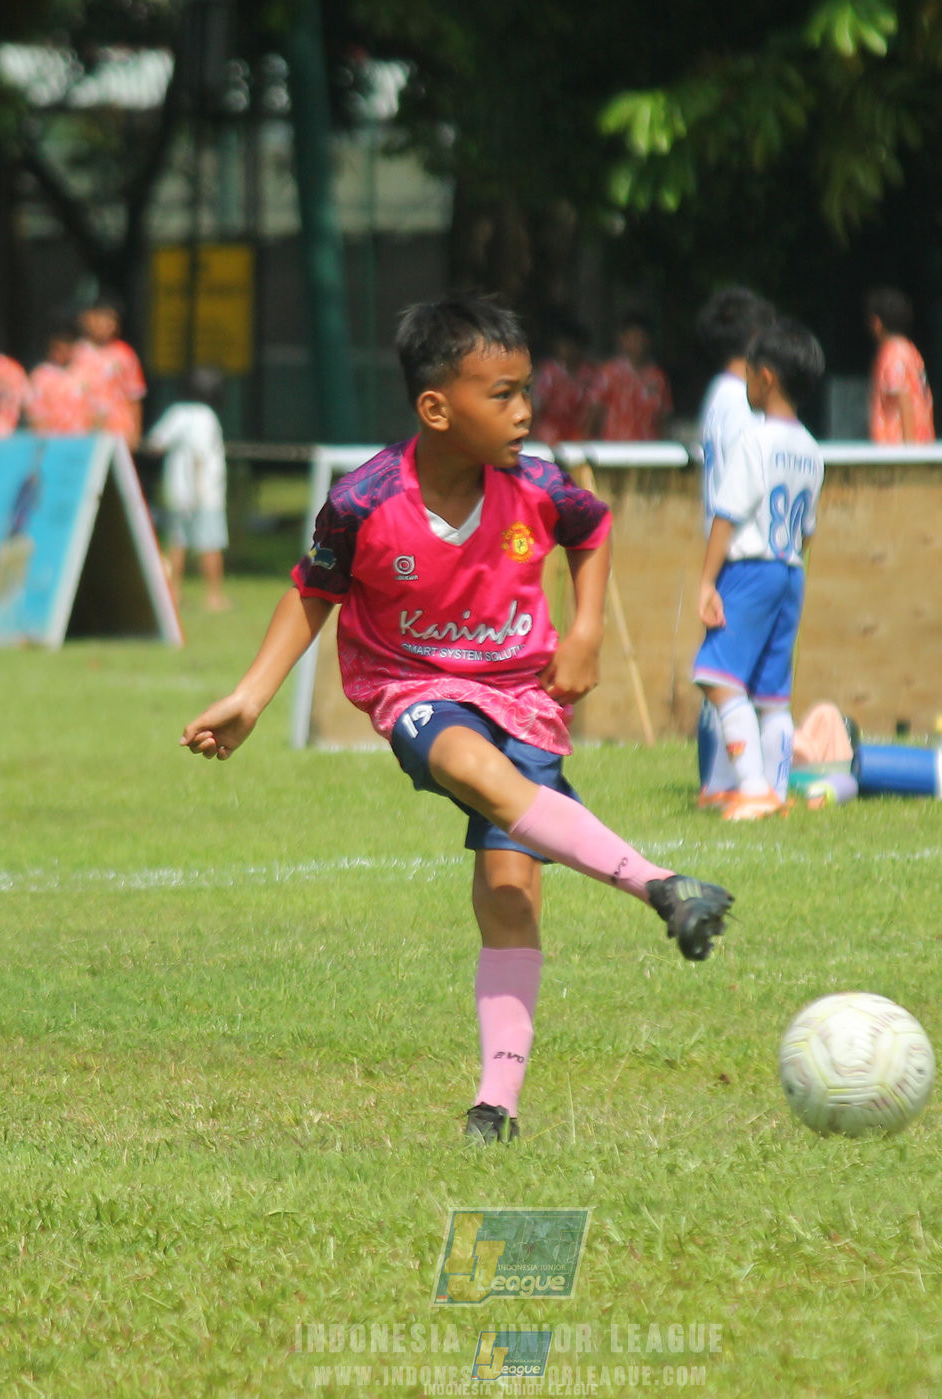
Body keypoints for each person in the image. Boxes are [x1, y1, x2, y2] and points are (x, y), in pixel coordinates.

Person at [179, 297, 735, 1144]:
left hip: (524, 694)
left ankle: (495, 1107)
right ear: (437, 408)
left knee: (509, 895)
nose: (524, 413)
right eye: (503, 395)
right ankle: (661, 885)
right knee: (476, 768)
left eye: (525, 394)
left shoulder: (539, 484)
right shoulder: (363, 501)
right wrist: (251, 697)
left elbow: (591, 529)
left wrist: (584, 629)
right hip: (413, 686)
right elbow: (313, 590)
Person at [691, 318, 826, 822]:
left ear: (765, 377)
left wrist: (708, 580)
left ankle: (751, 788)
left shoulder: (755, 442)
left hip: (750, 568)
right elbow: (808, 529)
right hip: (790, 569)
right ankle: (771, 787)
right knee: (771, 694)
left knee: (718, 677)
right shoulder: (811, 449)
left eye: (748, 374)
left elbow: (727, 515)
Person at [693, 287, 778, 807]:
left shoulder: (717, 396)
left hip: (727, 549)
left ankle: (722, 781)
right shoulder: (741, 401)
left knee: (731, 672)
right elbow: (747, 484)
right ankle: (752, 784)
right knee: (732, 676)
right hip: (745, 550)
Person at [147, 368, 231, 613]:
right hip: (204, 493)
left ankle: (174, 593)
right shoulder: (206, 417)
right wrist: (198, 491)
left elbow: (155, 443)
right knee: (210, 544)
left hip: (177, 492)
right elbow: (199, 455)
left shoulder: (177, 413)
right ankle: (214, 596)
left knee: (177, 542)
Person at [72, 301, 147, 449]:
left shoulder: (125, 354)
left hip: (117, 432)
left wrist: (135, 435)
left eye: (111, 320)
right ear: (86, 319)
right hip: (80, 431)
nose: (106, 324)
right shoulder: (75, 352)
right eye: (101, 318)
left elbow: (134, 396)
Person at [864, 286, 934, 444]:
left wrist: (908, 455)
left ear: (877, 322)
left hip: (898, 453)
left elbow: (904, 399)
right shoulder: (910, 351)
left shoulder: (891, 354)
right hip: (922, 446)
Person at [589, 313, 673, 441]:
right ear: (623, 340)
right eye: (633, 337)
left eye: (642, 337)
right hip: (614, 449)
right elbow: (595, 414)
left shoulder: (658, 378)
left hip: (649, 451)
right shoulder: (609, 373)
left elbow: (663, 420)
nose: (638, 343)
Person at [530, 319, 596, 447]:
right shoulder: (549, 373)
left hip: (579, 438)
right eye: (564, 344)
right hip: (549, 438)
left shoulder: (589, 375)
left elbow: (594, 410)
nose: (568, 349)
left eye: (572, 345)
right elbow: (537, 409)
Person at [26, 329, 95, 436]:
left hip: (83, 439)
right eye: (58, 349)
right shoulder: (40, 376)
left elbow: (96, 409)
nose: (62, 353)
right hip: (53, 440)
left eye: (67, 349)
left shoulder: (86, 374)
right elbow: (36, 414)